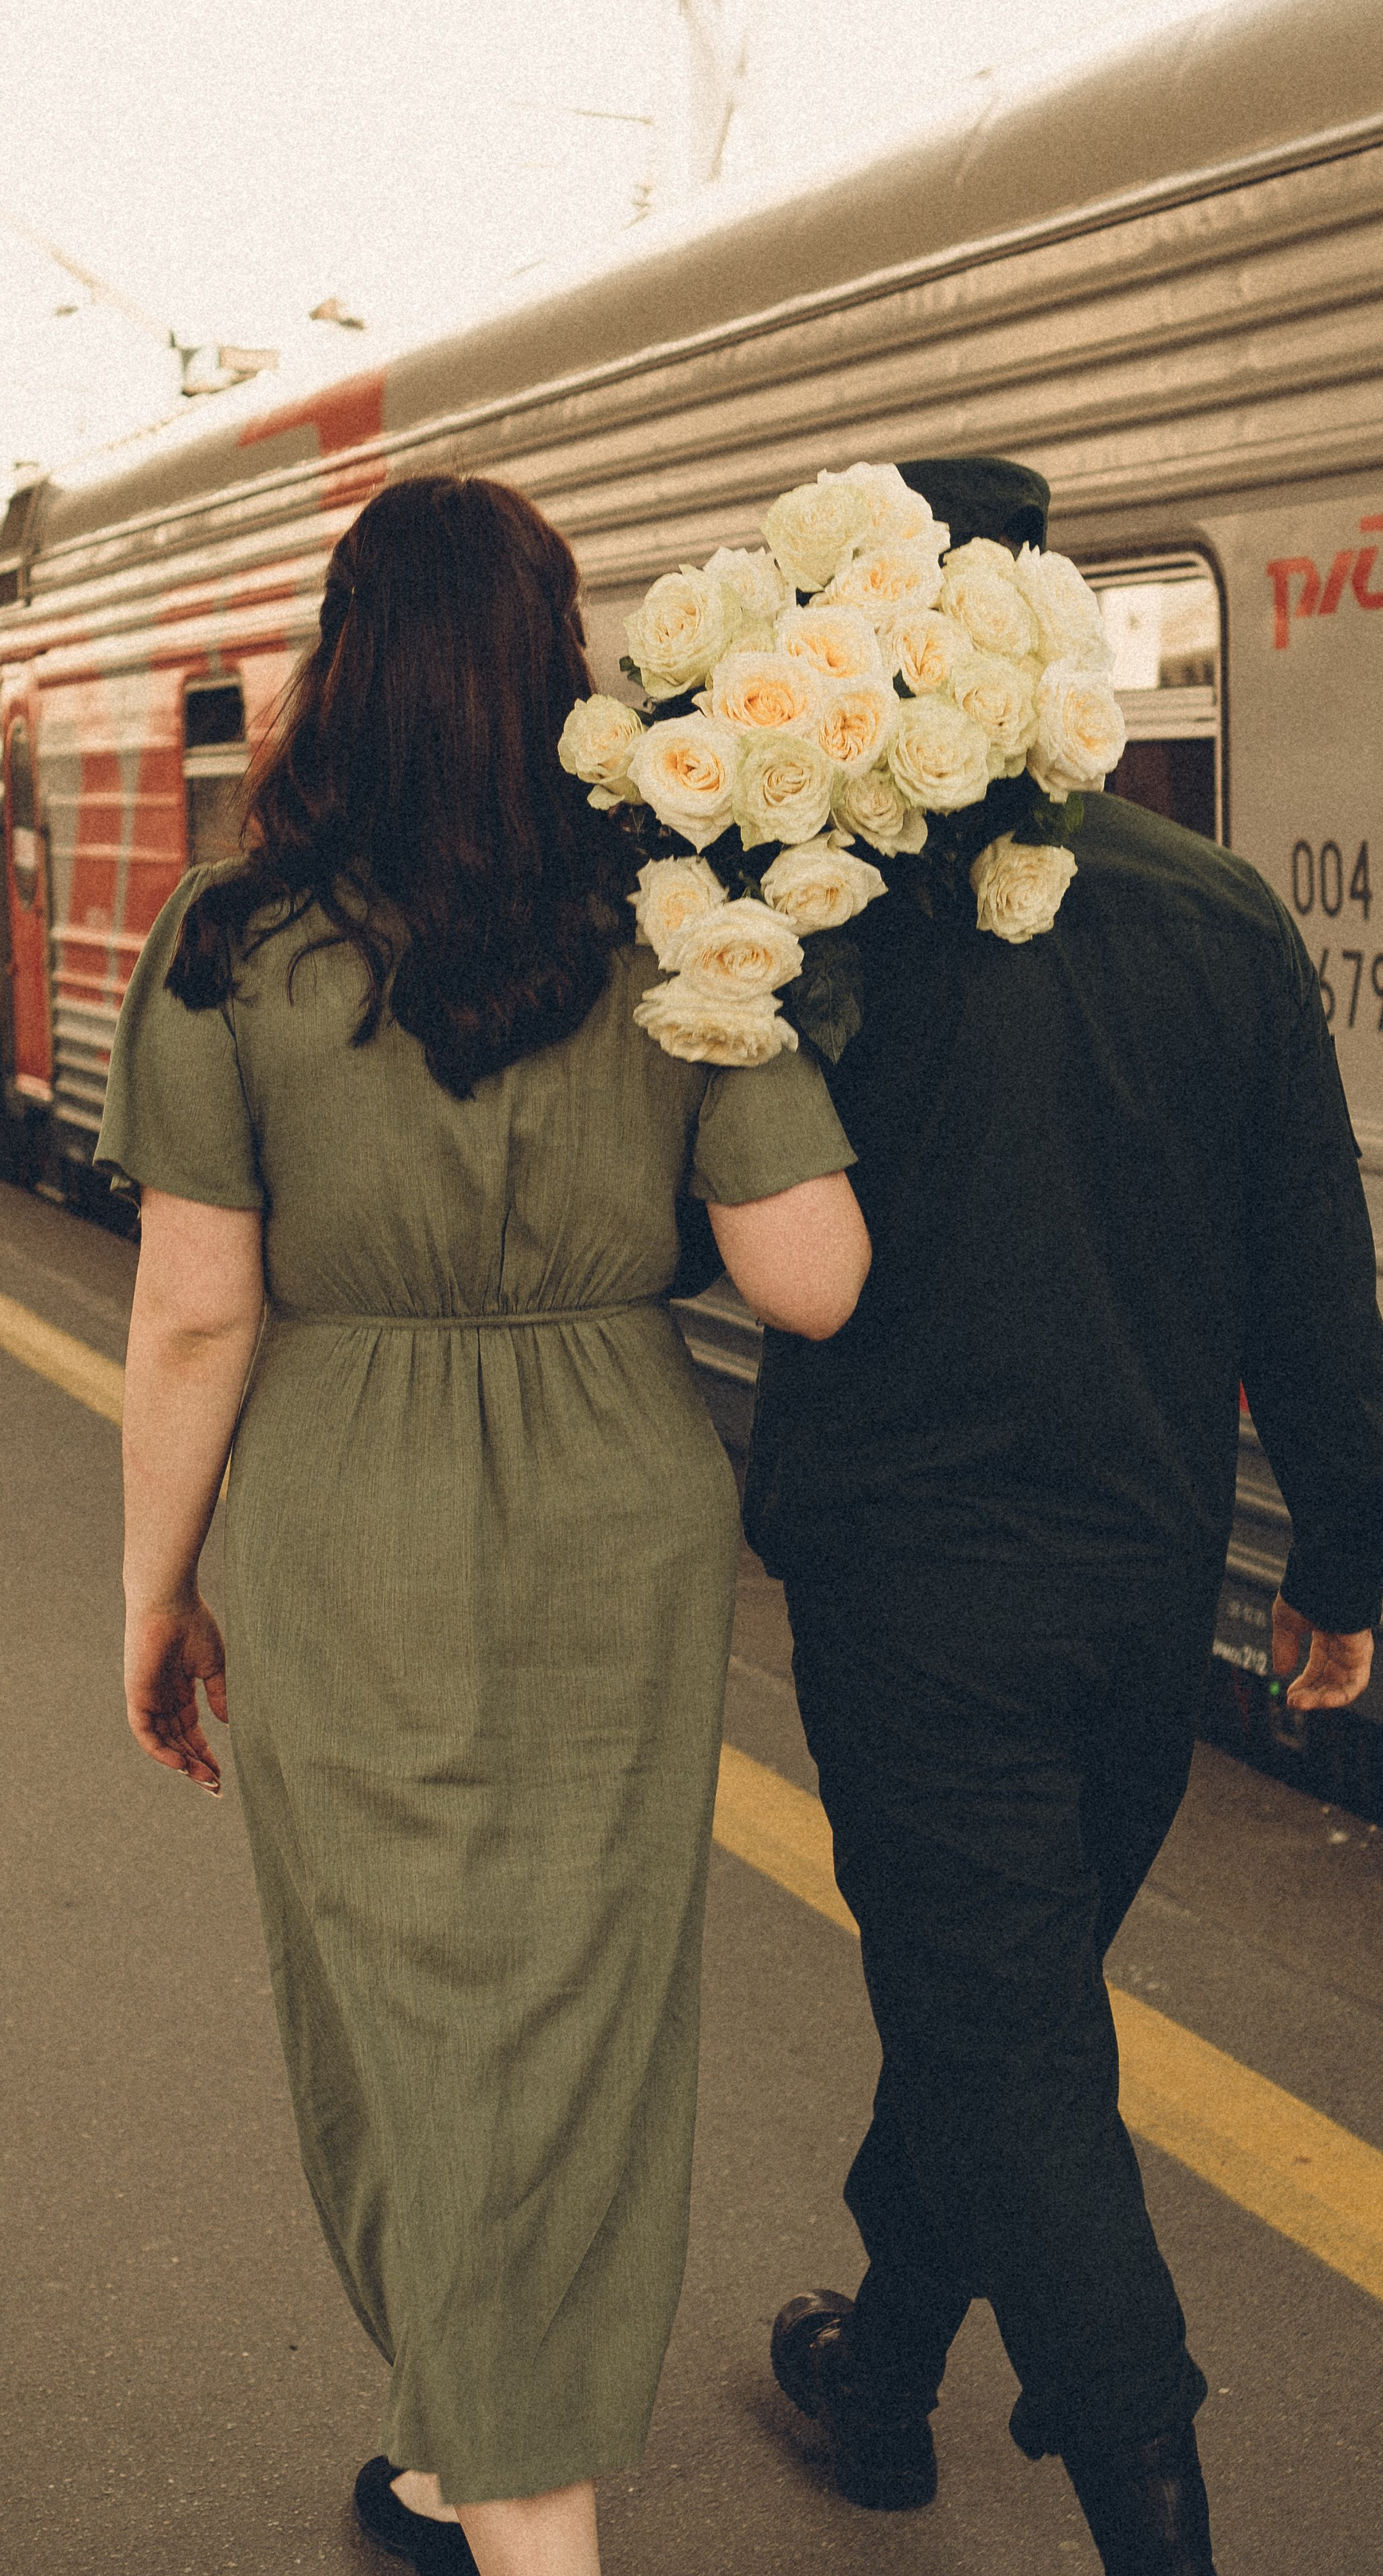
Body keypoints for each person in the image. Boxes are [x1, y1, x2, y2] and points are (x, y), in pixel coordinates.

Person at [94, 474, 869, 2576]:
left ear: (342, 668)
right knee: (578, 2013)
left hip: (345, 1500)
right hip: (620, 1499)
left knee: (400, 2008)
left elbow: (190, 1319)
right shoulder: (680, 920)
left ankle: (531, 2516)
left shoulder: (230, 938)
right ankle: (461, 2452)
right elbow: (812, 1280)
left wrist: (157, 1597)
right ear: (557, 667)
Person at [746, 454, 1383, 2576]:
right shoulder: (1213, 914)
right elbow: (1318, 1274)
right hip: (1139, 1587)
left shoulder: (823, 918)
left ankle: (1158, 2512)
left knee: (1002, 2026)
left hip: (915, 1596)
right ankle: (885, 2364)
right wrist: (1341, 1573)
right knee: (999, 1999)